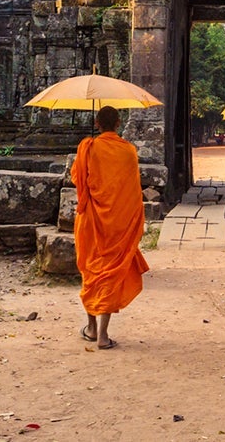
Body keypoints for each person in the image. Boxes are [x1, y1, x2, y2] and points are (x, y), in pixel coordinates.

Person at [71, 105, 149, 349]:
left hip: (92, 223)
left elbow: (77, 178)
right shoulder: (128, 151)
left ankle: (92, 328)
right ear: (118, 123)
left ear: (96, 123)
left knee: (92, 271)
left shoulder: (88, 148)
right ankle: (103, 334)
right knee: (111, 274)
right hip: (119, 224)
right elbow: (133, 191)